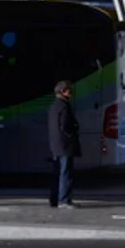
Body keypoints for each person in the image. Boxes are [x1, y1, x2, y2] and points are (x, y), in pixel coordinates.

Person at [48, 80, 81, 209]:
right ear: (62, 91)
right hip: (65, 145)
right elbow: (65, 125)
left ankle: (55, 200)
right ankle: (64, 201)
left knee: (57, 172)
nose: (71, 93)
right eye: (69, 90)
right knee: (66, 172)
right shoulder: (64, 106)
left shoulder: (54, 106)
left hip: (55, 144)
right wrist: (73, 132)